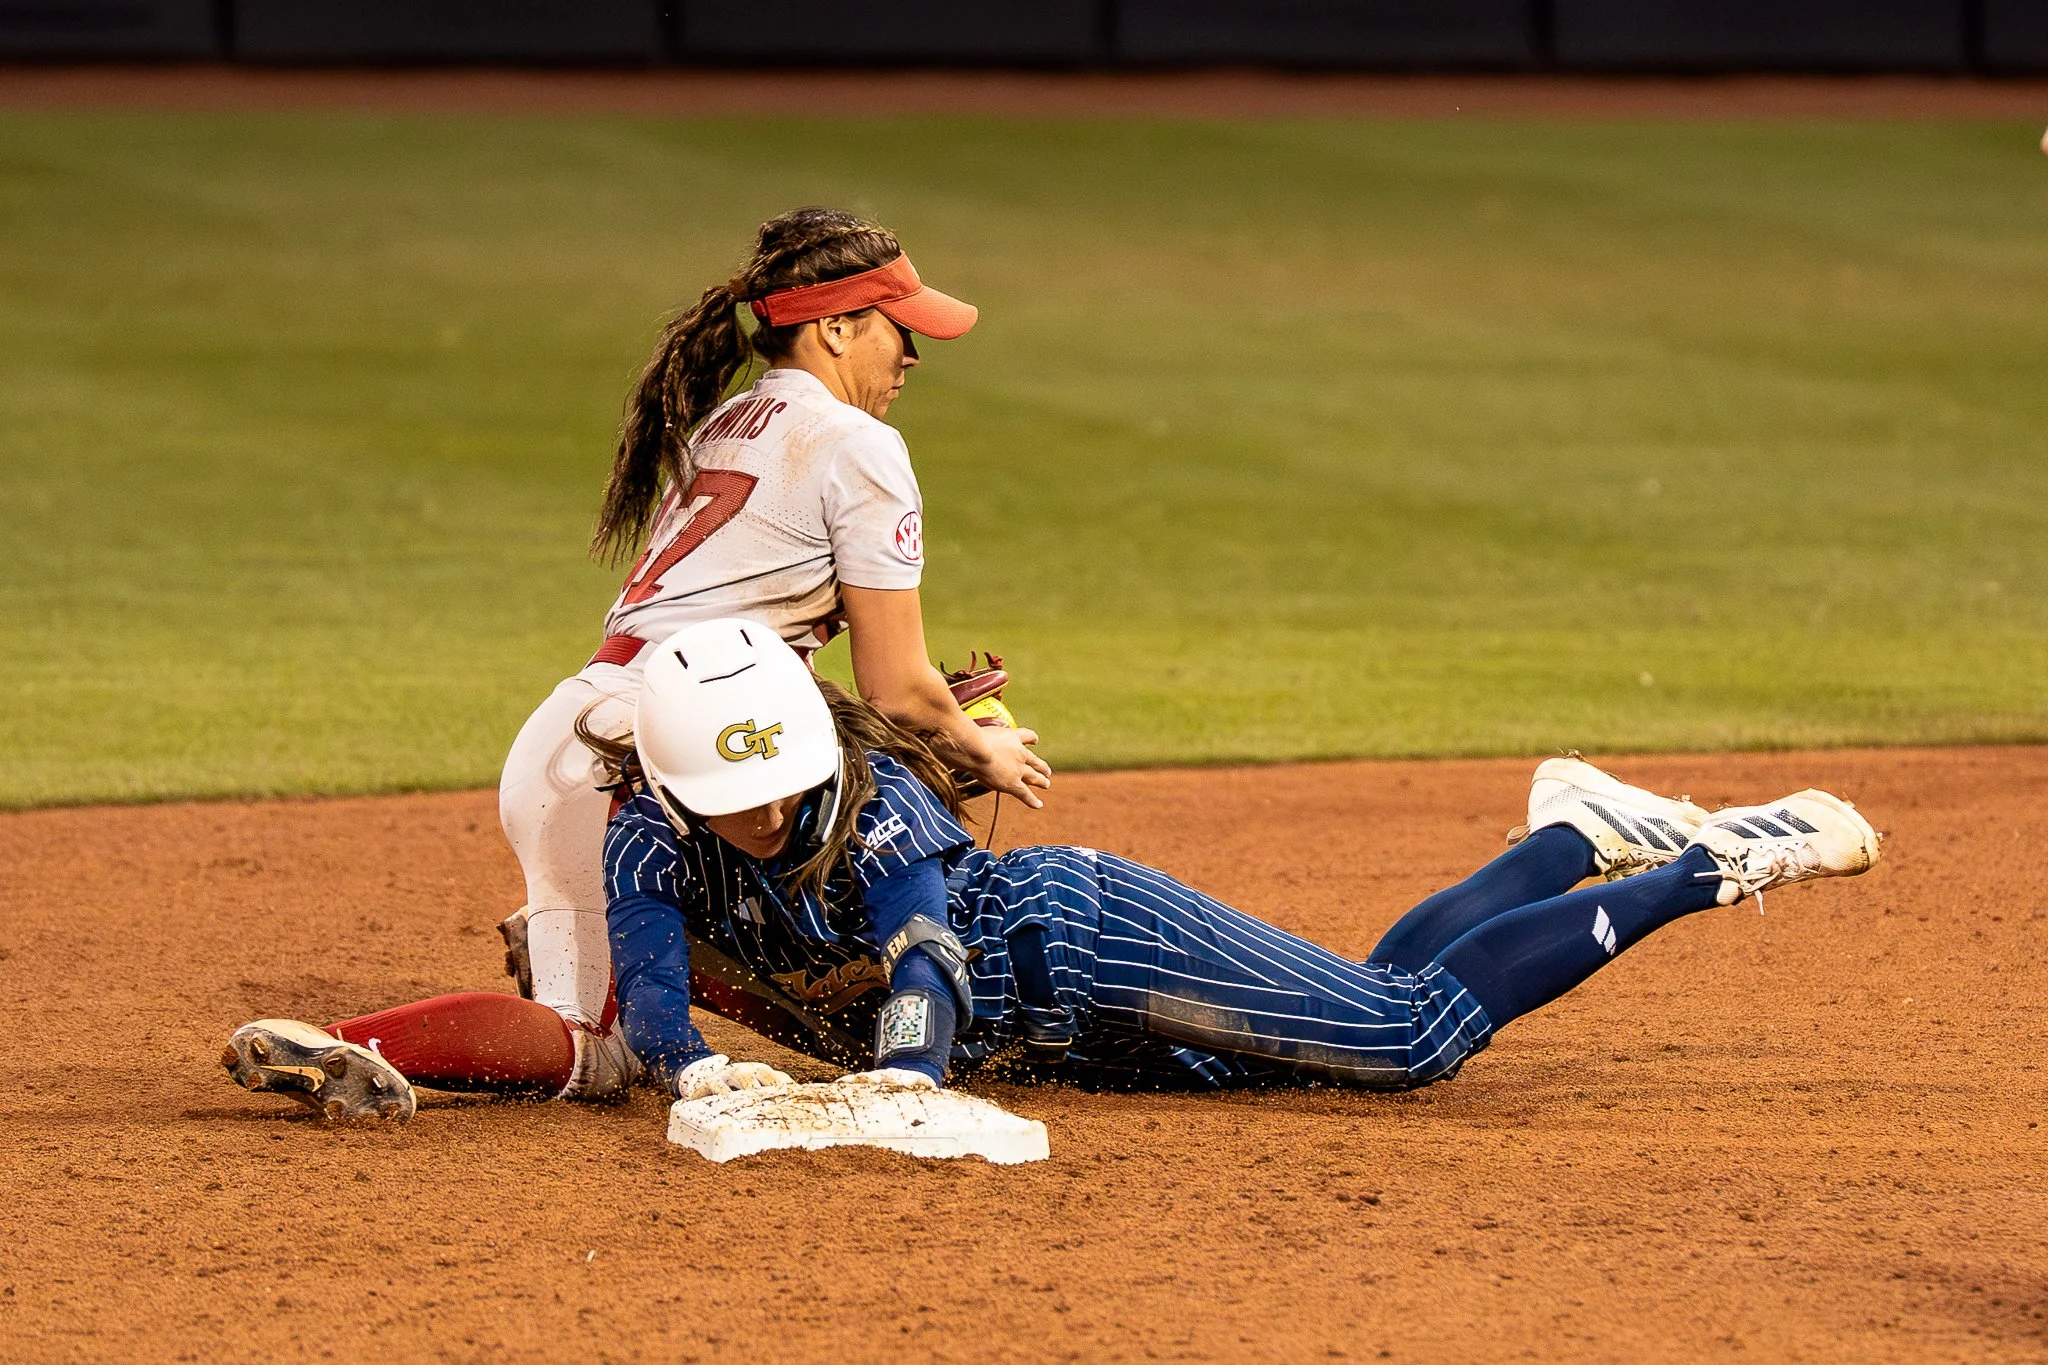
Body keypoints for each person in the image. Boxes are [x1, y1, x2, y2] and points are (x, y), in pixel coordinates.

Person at [218, 619, 1882, 1119]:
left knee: (1406, 1045)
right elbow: (645, 1004)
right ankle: (1564, 831)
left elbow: (925, 947)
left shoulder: (872, 805)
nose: (752, 821)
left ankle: (1710, 863)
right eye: (723, 801)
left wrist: (908, 1077)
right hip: (1059, 1045)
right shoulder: (647, 840)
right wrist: (686, 1070)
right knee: (1369, 996)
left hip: (1067, 944)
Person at [491, 207, 1050, 1099]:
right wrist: (978, 746)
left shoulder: (729, 419)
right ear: (834, 327)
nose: (913, 355)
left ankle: (588, 942)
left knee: (733, 897)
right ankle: (363, 1046)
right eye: (900, 330)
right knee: (587, 1057)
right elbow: (901, 690)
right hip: (644, 762)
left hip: (582, 732)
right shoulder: (860, 444)